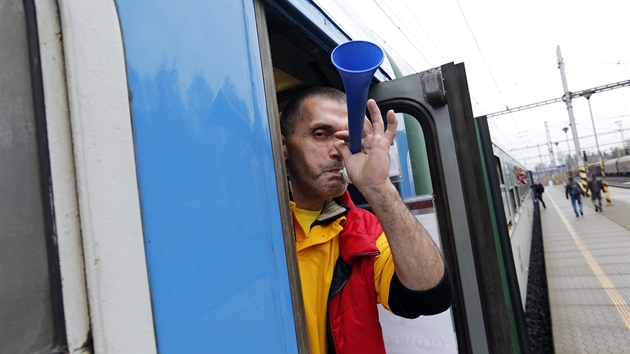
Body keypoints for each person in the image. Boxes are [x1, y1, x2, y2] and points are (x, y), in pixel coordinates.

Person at [280, 87, 453, 354]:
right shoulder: (256, 228)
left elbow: (430, 298)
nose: (339, 150)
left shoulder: (366, 230)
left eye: (348, 137)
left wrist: (379, 188)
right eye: (320, 134)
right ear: (284, 147)